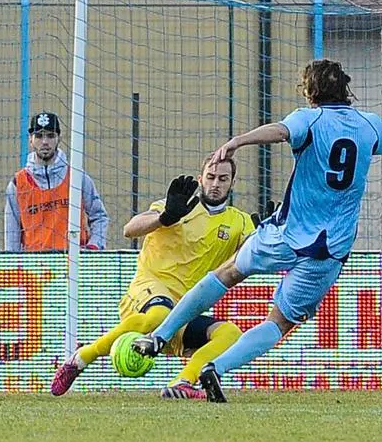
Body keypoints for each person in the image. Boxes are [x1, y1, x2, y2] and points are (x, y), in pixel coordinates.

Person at [133, 59, 382, 402]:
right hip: (328, 250)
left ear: (310, 92)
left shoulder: (308, 118)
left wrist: (238, 142)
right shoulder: (370, 126)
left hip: (286, 233)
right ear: (345, 89)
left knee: (227, 273)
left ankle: (161, 335)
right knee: (281, 322)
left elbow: (280, 131)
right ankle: (216, 368)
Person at [51, 156, 254, 399]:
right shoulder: (179, 206)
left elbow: (254, 257)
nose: (215, 184)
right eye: (210, 177)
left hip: (184, 309)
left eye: (223, 179)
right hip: (148, 290)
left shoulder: (239, 221)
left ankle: (183, 382)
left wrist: (270, 234)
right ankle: (81, 358)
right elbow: (130, 229)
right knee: (159, 314)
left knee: (230, 333)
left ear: (233, 183)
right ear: (200, 179)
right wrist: (165, 217)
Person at [5, 112, 109, 252]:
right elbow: (12, 232)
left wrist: (94, 246)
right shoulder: (18, 184)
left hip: (73, 263)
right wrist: (14, 264)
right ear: (31, 139)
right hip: (35, 265)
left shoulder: (77, 177)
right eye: (39, 136)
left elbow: (99, 217)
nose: (45, 141)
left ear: (59, 138)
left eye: (50, 135)